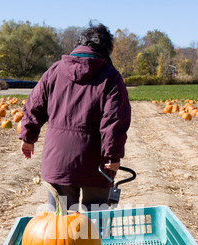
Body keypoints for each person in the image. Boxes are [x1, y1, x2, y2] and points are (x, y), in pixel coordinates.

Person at [19, 23, 131, 212]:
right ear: (106, 49)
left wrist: (28, 138)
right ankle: (91, 239)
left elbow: (34, 105)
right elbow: (114, 120)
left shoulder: (54, 71)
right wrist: (112, 155)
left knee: (61, 227)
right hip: (96, 164)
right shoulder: (111, 77)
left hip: (58, 160)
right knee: (93, 227)